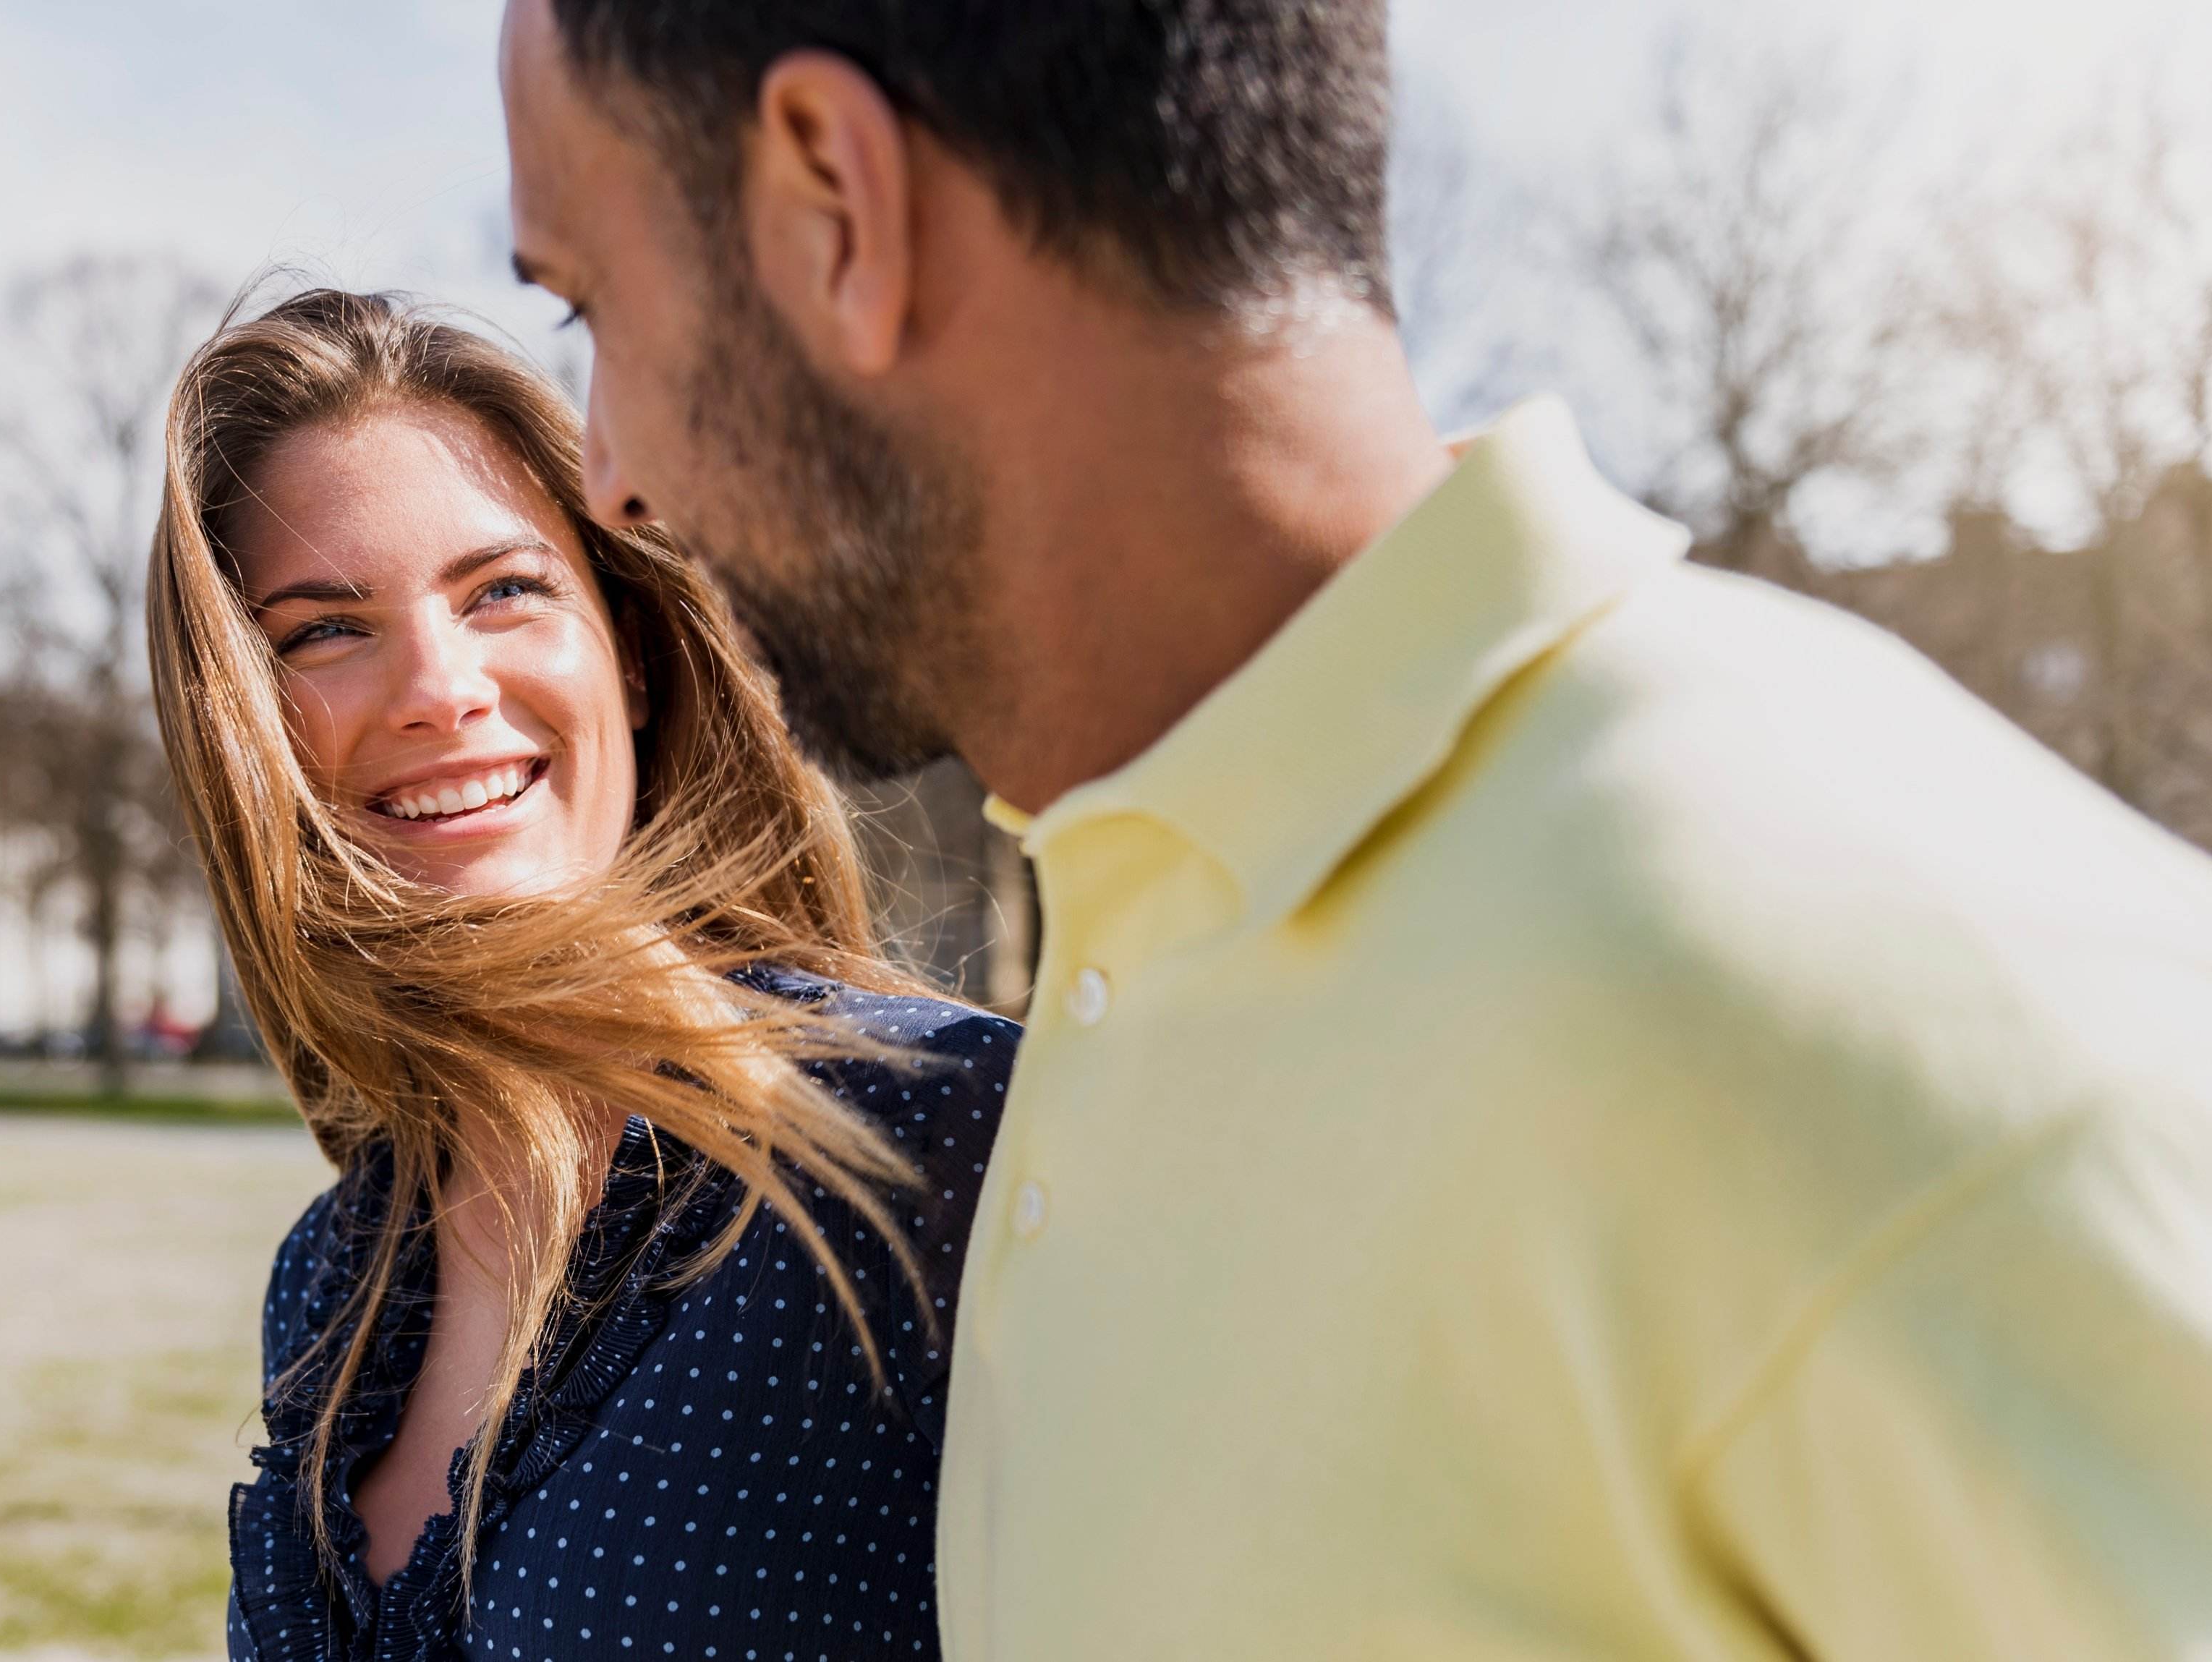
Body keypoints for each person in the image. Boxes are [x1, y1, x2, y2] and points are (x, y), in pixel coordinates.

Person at [498, 3, 2212, 1657]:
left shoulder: (1877, 985)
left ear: (831, 206)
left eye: (589, 308)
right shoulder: (1139, 948)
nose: (611, 477)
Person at [145, 286, 1017, 1662]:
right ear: (245, 735)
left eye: (504, 591)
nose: (440, 686)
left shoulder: (938, 1136)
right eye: (323, 627)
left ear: (637, 655)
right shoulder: (334, 1274)